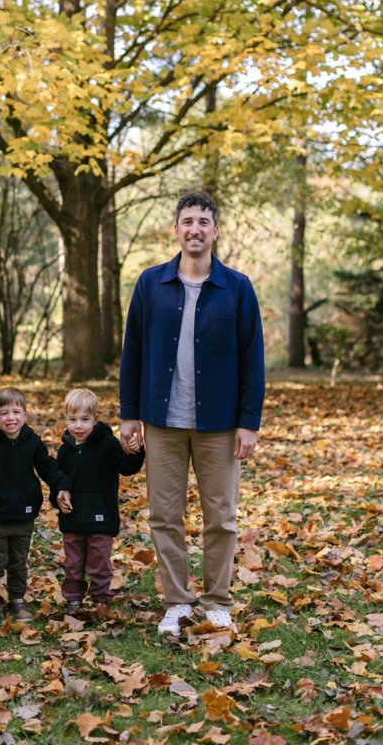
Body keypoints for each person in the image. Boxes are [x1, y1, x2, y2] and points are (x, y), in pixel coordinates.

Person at [119, 191, 264, 636]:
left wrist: (248, 422)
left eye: (203, 222)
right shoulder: (151, 284)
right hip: (161, 421)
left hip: (219, 424)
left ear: (215, 231)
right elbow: (132, 351)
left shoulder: (237, 287)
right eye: (187, 221)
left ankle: (217, 601)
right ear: (176, 230)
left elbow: (252, 359)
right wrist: (129, 414)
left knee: (221, 517)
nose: (195, 229)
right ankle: (177, 602)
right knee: (164, 516)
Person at [0, 386, 72, 625]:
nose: (11, 418)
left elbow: (47, 467)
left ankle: (17, 599)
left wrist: (62, 485)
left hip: (24, 515)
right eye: (4, 413)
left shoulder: (32, 441)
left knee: (18, 561)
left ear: (25, 415)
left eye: (16, 412)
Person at [52, 388, 144, 617]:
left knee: (99, 562)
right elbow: (58, 480)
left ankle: (100, 597)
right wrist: (58, 497)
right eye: (73, 420)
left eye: (84, 419)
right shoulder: (65, 451)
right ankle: (73, 598)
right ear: (65, 420)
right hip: (72, 518)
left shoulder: (107, 444)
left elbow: (126, 467)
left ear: (95, 419)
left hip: (102, 517)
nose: (78, 426)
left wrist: (135, 452)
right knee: (73, 563)